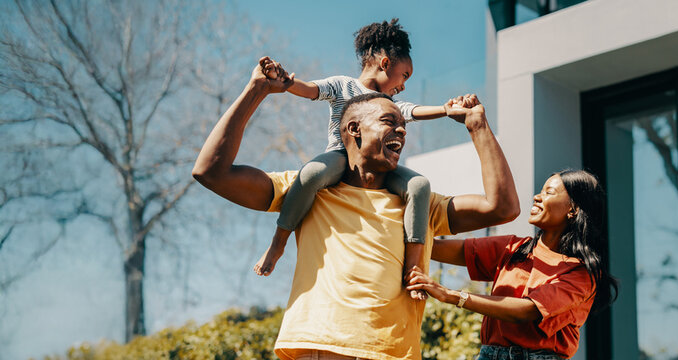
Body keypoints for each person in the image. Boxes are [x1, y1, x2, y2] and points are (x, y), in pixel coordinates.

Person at [191, 57, 519, 360]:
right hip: (322, 347)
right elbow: (210, 172)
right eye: (389, 121)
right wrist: (256, 90)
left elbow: (501, 208)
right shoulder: (308, 190)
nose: (402, 130)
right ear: (354, 130)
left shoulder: (418, 203)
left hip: (397, 353)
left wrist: (478, 127)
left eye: (403, 124)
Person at [254, 20, 457, 301]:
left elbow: (412, 110)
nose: (403, 85)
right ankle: (278, 243)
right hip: (342, 158)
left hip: (379, 167)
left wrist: (446, 109)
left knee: (419, 186)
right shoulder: (343, 86)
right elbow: (311, 89)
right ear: (385, 63)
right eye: (404, 75)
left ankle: (413, 266)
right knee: (311, 173)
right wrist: (286, 82)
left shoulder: (388, 103)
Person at [405, 170, 618, 360]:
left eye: (548, 193)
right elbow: (435, 248)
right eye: (540, 191)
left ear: (573, 210)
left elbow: (527, 310)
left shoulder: (580, 273)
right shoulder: (514, 248)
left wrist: (451, 295)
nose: (537, 197)